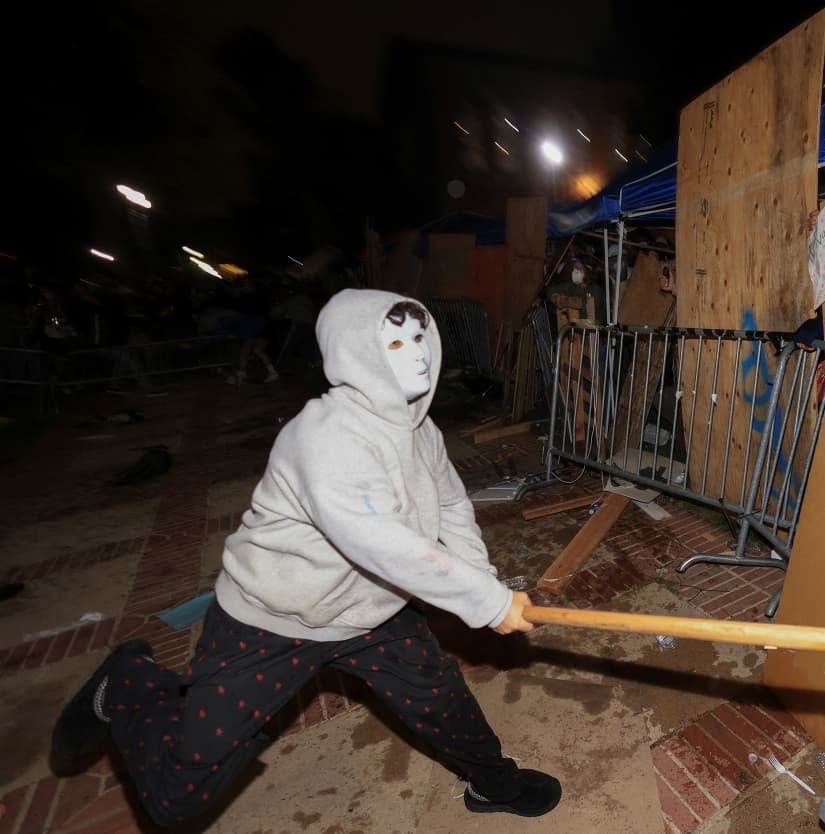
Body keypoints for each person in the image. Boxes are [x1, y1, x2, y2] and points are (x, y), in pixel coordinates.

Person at [51, 289, 561, 826]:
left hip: (374, 611)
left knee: (442, 702)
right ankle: (128, 680)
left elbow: (452, 502)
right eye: (393, 342)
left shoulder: (420, 429)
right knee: (181, 789)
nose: (417, 355)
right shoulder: (324, 437)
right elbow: (378, 540)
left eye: (419, 337)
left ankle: (494, 783)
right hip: (272, 618)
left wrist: (480, 577)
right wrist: (485, 600)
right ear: (353, 352)